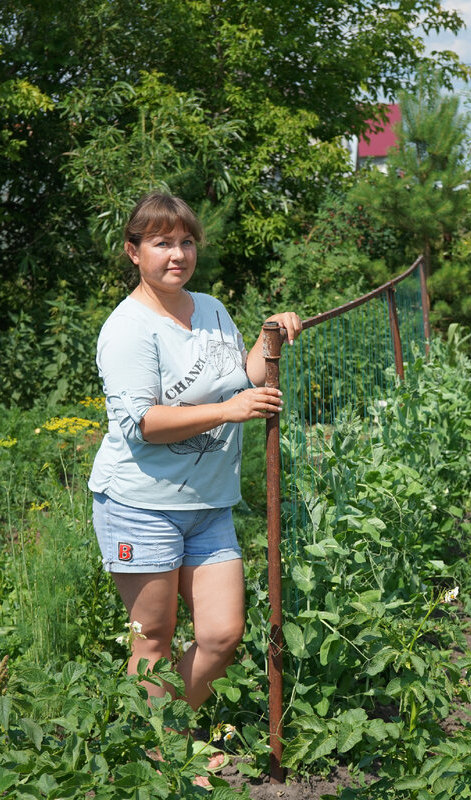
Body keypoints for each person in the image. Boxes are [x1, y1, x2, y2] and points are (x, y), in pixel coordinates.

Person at [89, 193, 302, 719]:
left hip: (208, 504)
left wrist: (269, 335)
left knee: (222, 634)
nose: (177, 254)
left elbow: (242, 378)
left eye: (186, 242)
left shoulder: (209, 308)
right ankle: (162, 760)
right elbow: (143, 425)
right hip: (142, 507)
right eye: (162, 243)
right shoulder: (128, 329)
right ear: (133, 252)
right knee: (154, 640)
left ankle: (168, 732)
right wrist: (229, 411)